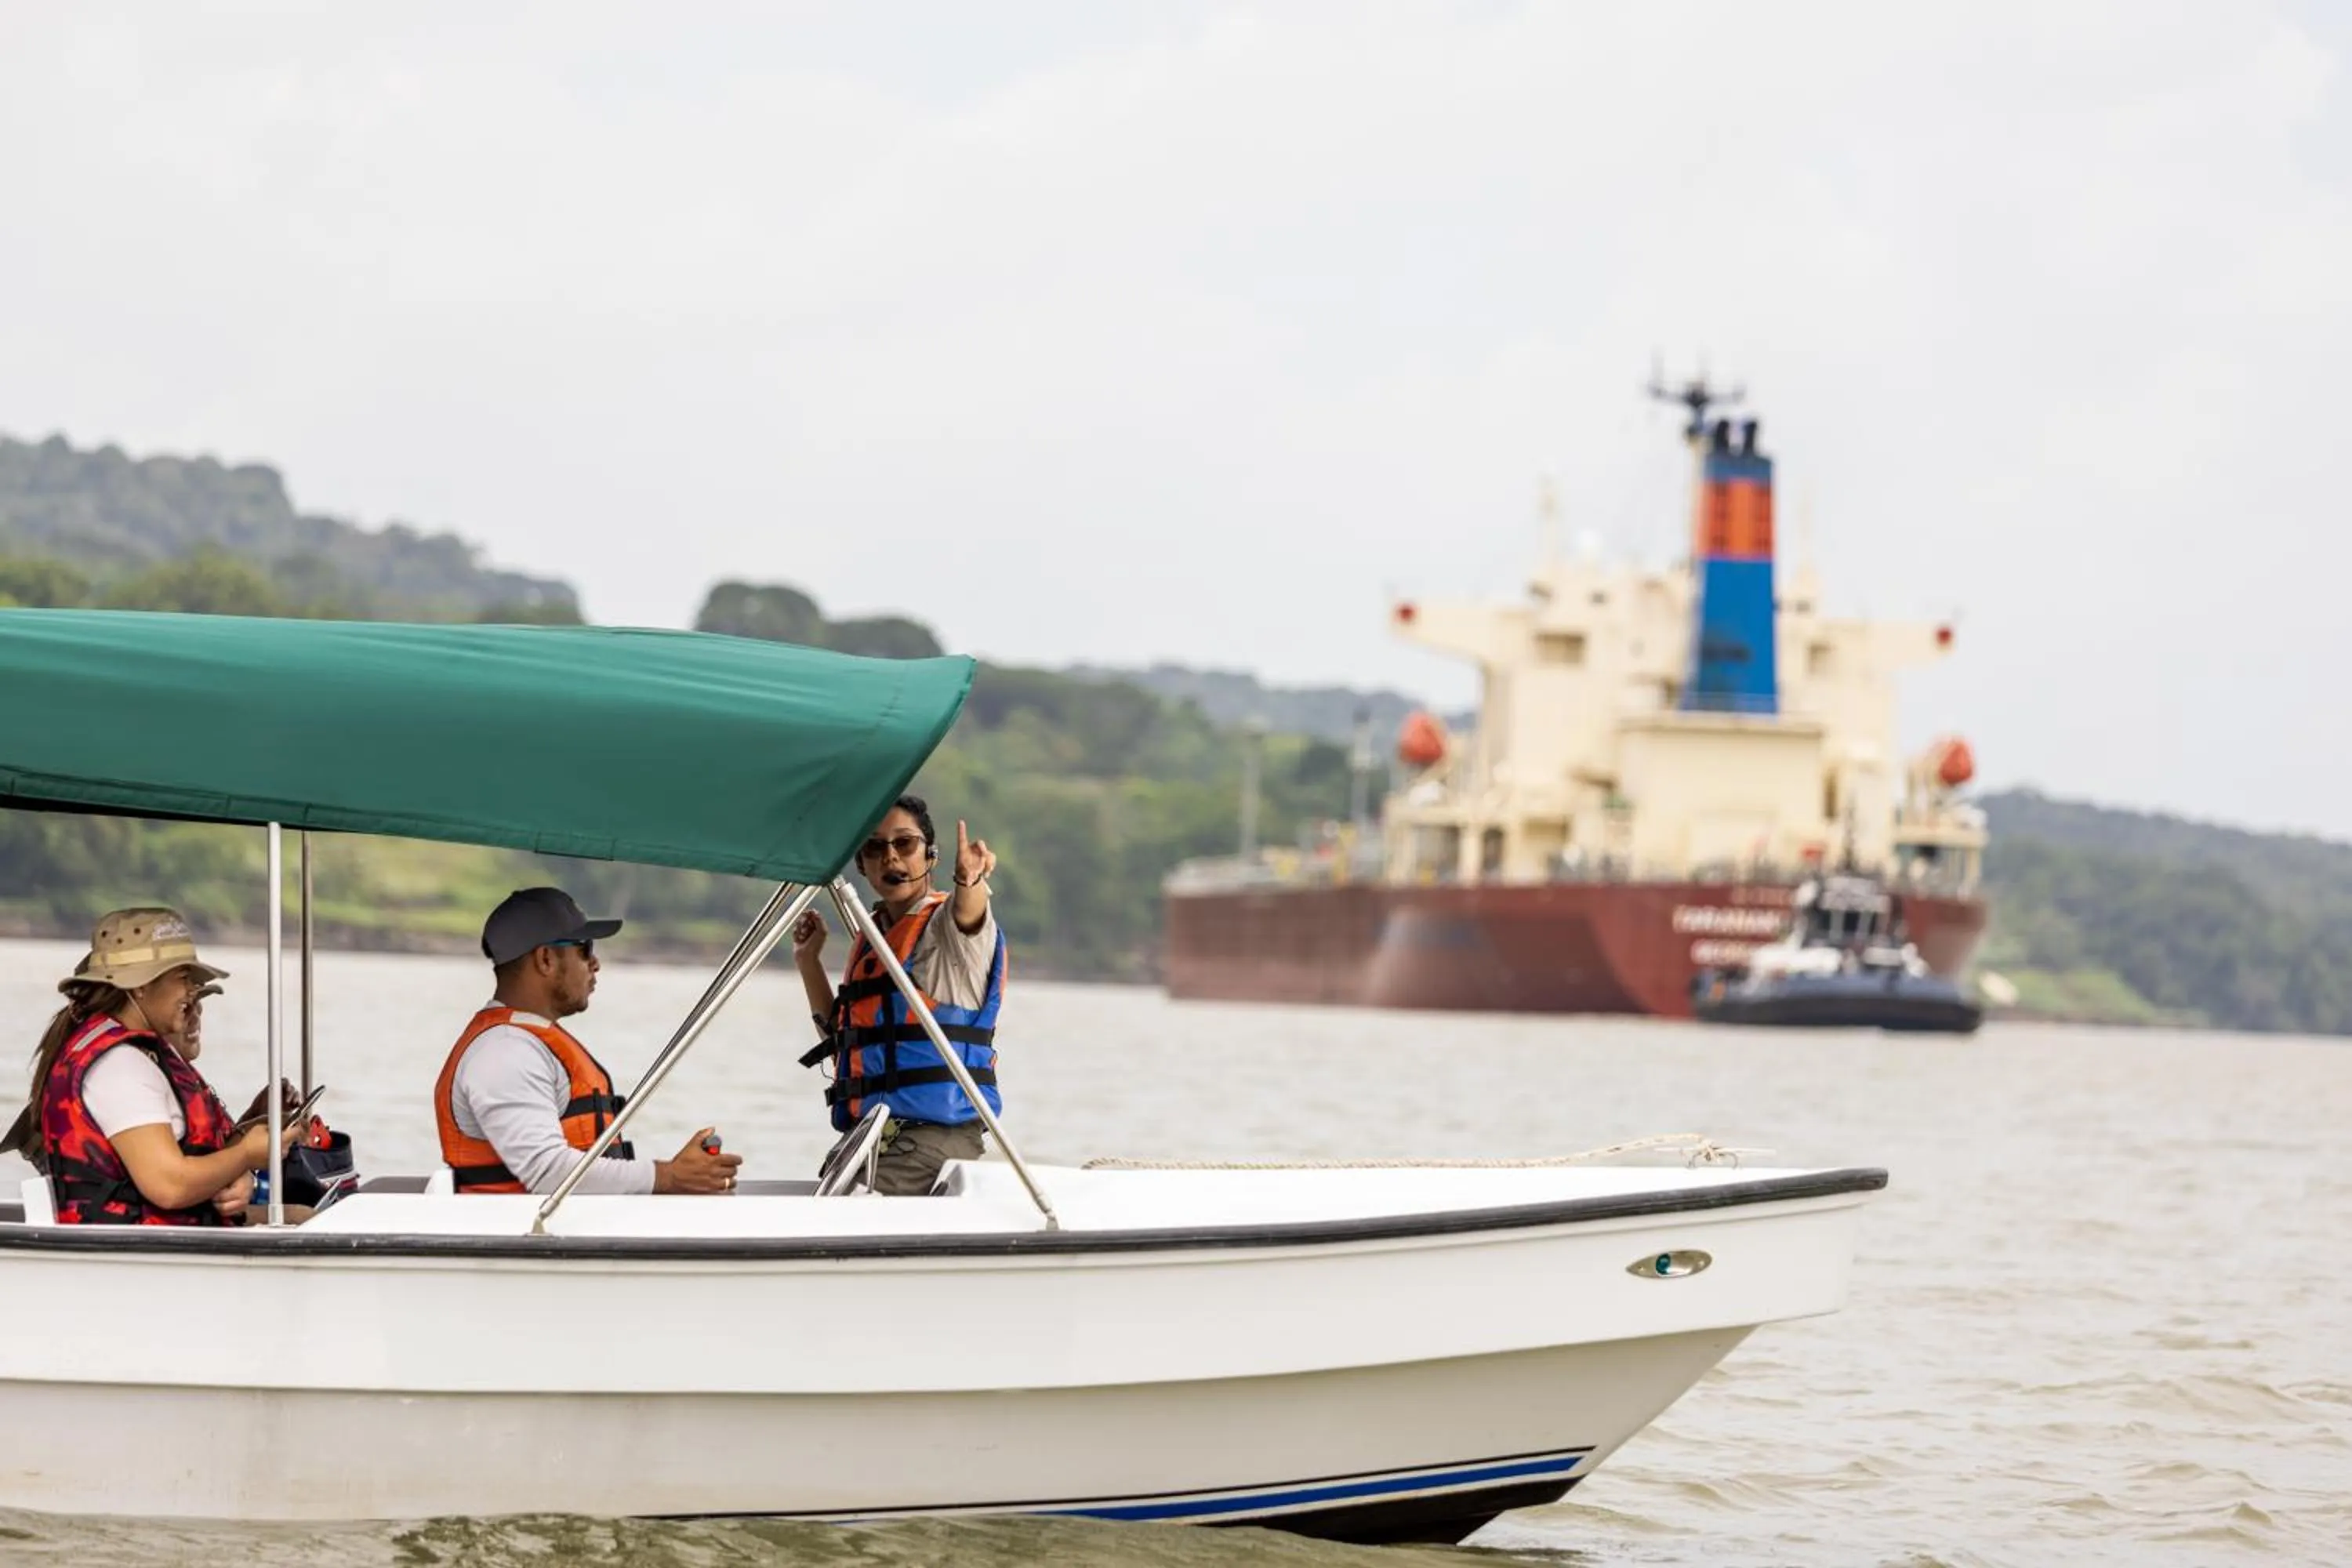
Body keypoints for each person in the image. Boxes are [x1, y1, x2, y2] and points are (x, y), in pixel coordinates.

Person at [433, 887, 742, 1195]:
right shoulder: (505, 1051)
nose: (595, 964)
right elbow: (549, 1172)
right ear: (545, 959)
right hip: (528, 1238)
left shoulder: (522, 1041)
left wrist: (680, 1177)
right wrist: (670, 1177)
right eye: (585, 949)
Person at [18, 908, 296, 1225]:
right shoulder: (119, 1067)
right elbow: (169, 1186)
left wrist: (250, 1135)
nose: (192, 993)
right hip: (136, 1257)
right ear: (140, 986)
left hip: (164, 1241)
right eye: (183, 978)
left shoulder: (133, 1053)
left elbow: (190, 1155)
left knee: (304, 1216)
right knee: (305, 1219)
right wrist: (246, 1155)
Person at [793, 794, 1005, 1196]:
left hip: (932, 1143)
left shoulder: (950, 934)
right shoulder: (877, 938)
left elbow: (970, 915)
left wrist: (970, 880)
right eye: (875, 848)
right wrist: (809, 961)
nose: (890, 858)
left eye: (904, 844)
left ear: (930, 856)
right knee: (825, 1197)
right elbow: (843, 1042)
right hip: (872, 1142)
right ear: (862, 865)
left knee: (835, 1214)